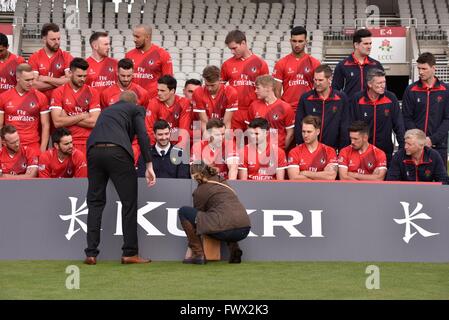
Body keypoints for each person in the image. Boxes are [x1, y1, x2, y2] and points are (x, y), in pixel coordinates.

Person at [84, 91, 156, 265]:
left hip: (93, 151)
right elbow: (143, 136)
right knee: (129, 203)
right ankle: (130, 253)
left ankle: (91, 254)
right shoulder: (136, 109)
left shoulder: (107, 111)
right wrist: (149, 165)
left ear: (118, 101)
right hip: (117, 152)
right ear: (135, 102)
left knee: (95, 203)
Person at [178, 161, 251, 264]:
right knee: (226, 217)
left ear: (195, 176)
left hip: (225, 230)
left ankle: (198, 254)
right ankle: (235, 250)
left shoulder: (199, 191)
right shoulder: (222, 181)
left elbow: (198, 220)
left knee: (183, 212)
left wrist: (190, 247)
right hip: (245, 228)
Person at [402, 52, 449, 169]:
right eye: (419, 69)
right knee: (416, 182)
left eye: (424, 68)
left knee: (440, 183)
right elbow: (406, 117)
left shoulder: (445, 90)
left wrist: (432, 139)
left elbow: (447, 119)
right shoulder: (410, 90)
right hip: (416, 145)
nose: (421, 72)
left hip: (439, 145)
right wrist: (419, 139)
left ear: (434, 68)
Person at [350, 68, 405, 165]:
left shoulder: (391, 98)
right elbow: (350, 125)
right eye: (379, 83)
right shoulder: (357, 99)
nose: (383, 86)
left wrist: (402, 148)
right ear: (369, 84)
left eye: (384, 82)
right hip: (361, 152)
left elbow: (399, 125)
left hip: (385, 152)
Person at [50, 58, 101, 156]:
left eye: (85, 76)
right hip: (66, 144)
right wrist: (82, 116)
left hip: (88, 142)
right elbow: (57, 122)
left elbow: (94, 122)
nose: (82, 79)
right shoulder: (58, 92)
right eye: (79, 76)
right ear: (70, 73)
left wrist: (67, 117)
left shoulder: (93, 92)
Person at [221, 30, 269, 131]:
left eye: (234, 48)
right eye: (230, 49)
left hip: (254, 110)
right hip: (234, 112)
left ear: (243, 43)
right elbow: (220, 89)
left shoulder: (260, 63)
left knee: (254, 143)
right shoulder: (227, 64)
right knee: (234, 143)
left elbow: (266, 89)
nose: (232, 52)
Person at [295, 64, 350, 150]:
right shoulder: (305, 98)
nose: (317, 83)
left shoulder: (341, 98)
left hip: (332, 149)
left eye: (320, 80)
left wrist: (343, 149)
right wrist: (300, 146)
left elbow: (345, 126)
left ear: (329, 80)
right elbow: (299, 124)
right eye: (315, 80)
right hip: (309, 149)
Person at [0, 63, 50, 155]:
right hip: (10, 146)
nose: (30, 83)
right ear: (18, 78)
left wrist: (42, 151)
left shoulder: (40, 97)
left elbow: (45, 125)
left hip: (32, 146)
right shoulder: (4, 97)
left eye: (32, 79)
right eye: (27, 80)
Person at [273, 26, 321, 113]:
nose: (297, 45)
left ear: (306, 42)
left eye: (300, 41)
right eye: (294, 41)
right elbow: (276, 90)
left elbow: (320, 88)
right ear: (290, 41)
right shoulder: (281, 63)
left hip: (308, 107)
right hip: (288, 109)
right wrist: (280, 108)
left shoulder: (314, 63)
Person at [332, 29, 384, 100]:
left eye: (370, 43)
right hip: (350, 109)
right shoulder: (342, 66)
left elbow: (383, 90)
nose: (369, 47)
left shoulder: (376, 65)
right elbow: (335, 91)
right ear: (356, 45)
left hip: (371, 108)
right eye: (366, 44)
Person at [247, 75, 295, 151]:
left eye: (258, 88)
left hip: (277, 151)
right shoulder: (253, 106)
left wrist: (281, 150)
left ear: (268, 88)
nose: (255, 91)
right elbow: (249, 129)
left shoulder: (285, 107)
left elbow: (290, 133)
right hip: (259, 151)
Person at [125, 24, 173, 99]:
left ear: (147, 37)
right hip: (133, 101)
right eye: (134, 36)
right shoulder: (129, 55)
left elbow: (169, 81)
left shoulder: (162, 54)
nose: (134, 39)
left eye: (137, 37)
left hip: (153, 100)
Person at [28, 23, 73, 101]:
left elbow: (70, 81)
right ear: (44, 39)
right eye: (53, 39)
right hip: (39, 102)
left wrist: (46, 78)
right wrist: (60, 81)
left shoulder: (66, 56)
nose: (57, 42)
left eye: (58, 39)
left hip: (61, 102)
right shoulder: (34, 57)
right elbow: (33, 85)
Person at [145, 75, 191, 147]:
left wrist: (178, 148)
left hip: (176, 144)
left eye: (162, 91)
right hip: (159, 143)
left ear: (172, 91)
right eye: (158, 90)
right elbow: (149, 129)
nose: (159, 93)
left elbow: (183, 131)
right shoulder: (154, 102)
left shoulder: (184, 103)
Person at [287, 115, 338, 180]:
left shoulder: (329, 151)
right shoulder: (294, 152)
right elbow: (294, 178)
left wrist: (305, 173)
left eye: (309, 132)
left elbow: (331, 176)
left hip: (323, 189)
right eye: (303, 131)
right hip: (301, 189)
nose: (305, 135)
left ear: (318, 132)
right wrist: (321, 176)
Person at [192, 65, 238, 131]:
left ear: (220, 80)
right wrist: (209, 138)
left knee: (228, 140)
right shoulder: (198, 92)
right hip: (207, 130)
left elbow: (227, 122)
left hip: (225, 129)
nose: (209, 88)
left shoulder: (231, 92)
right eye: (207, 85)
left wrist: (223, 139)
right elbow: (204, 122)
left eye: (212, 85)